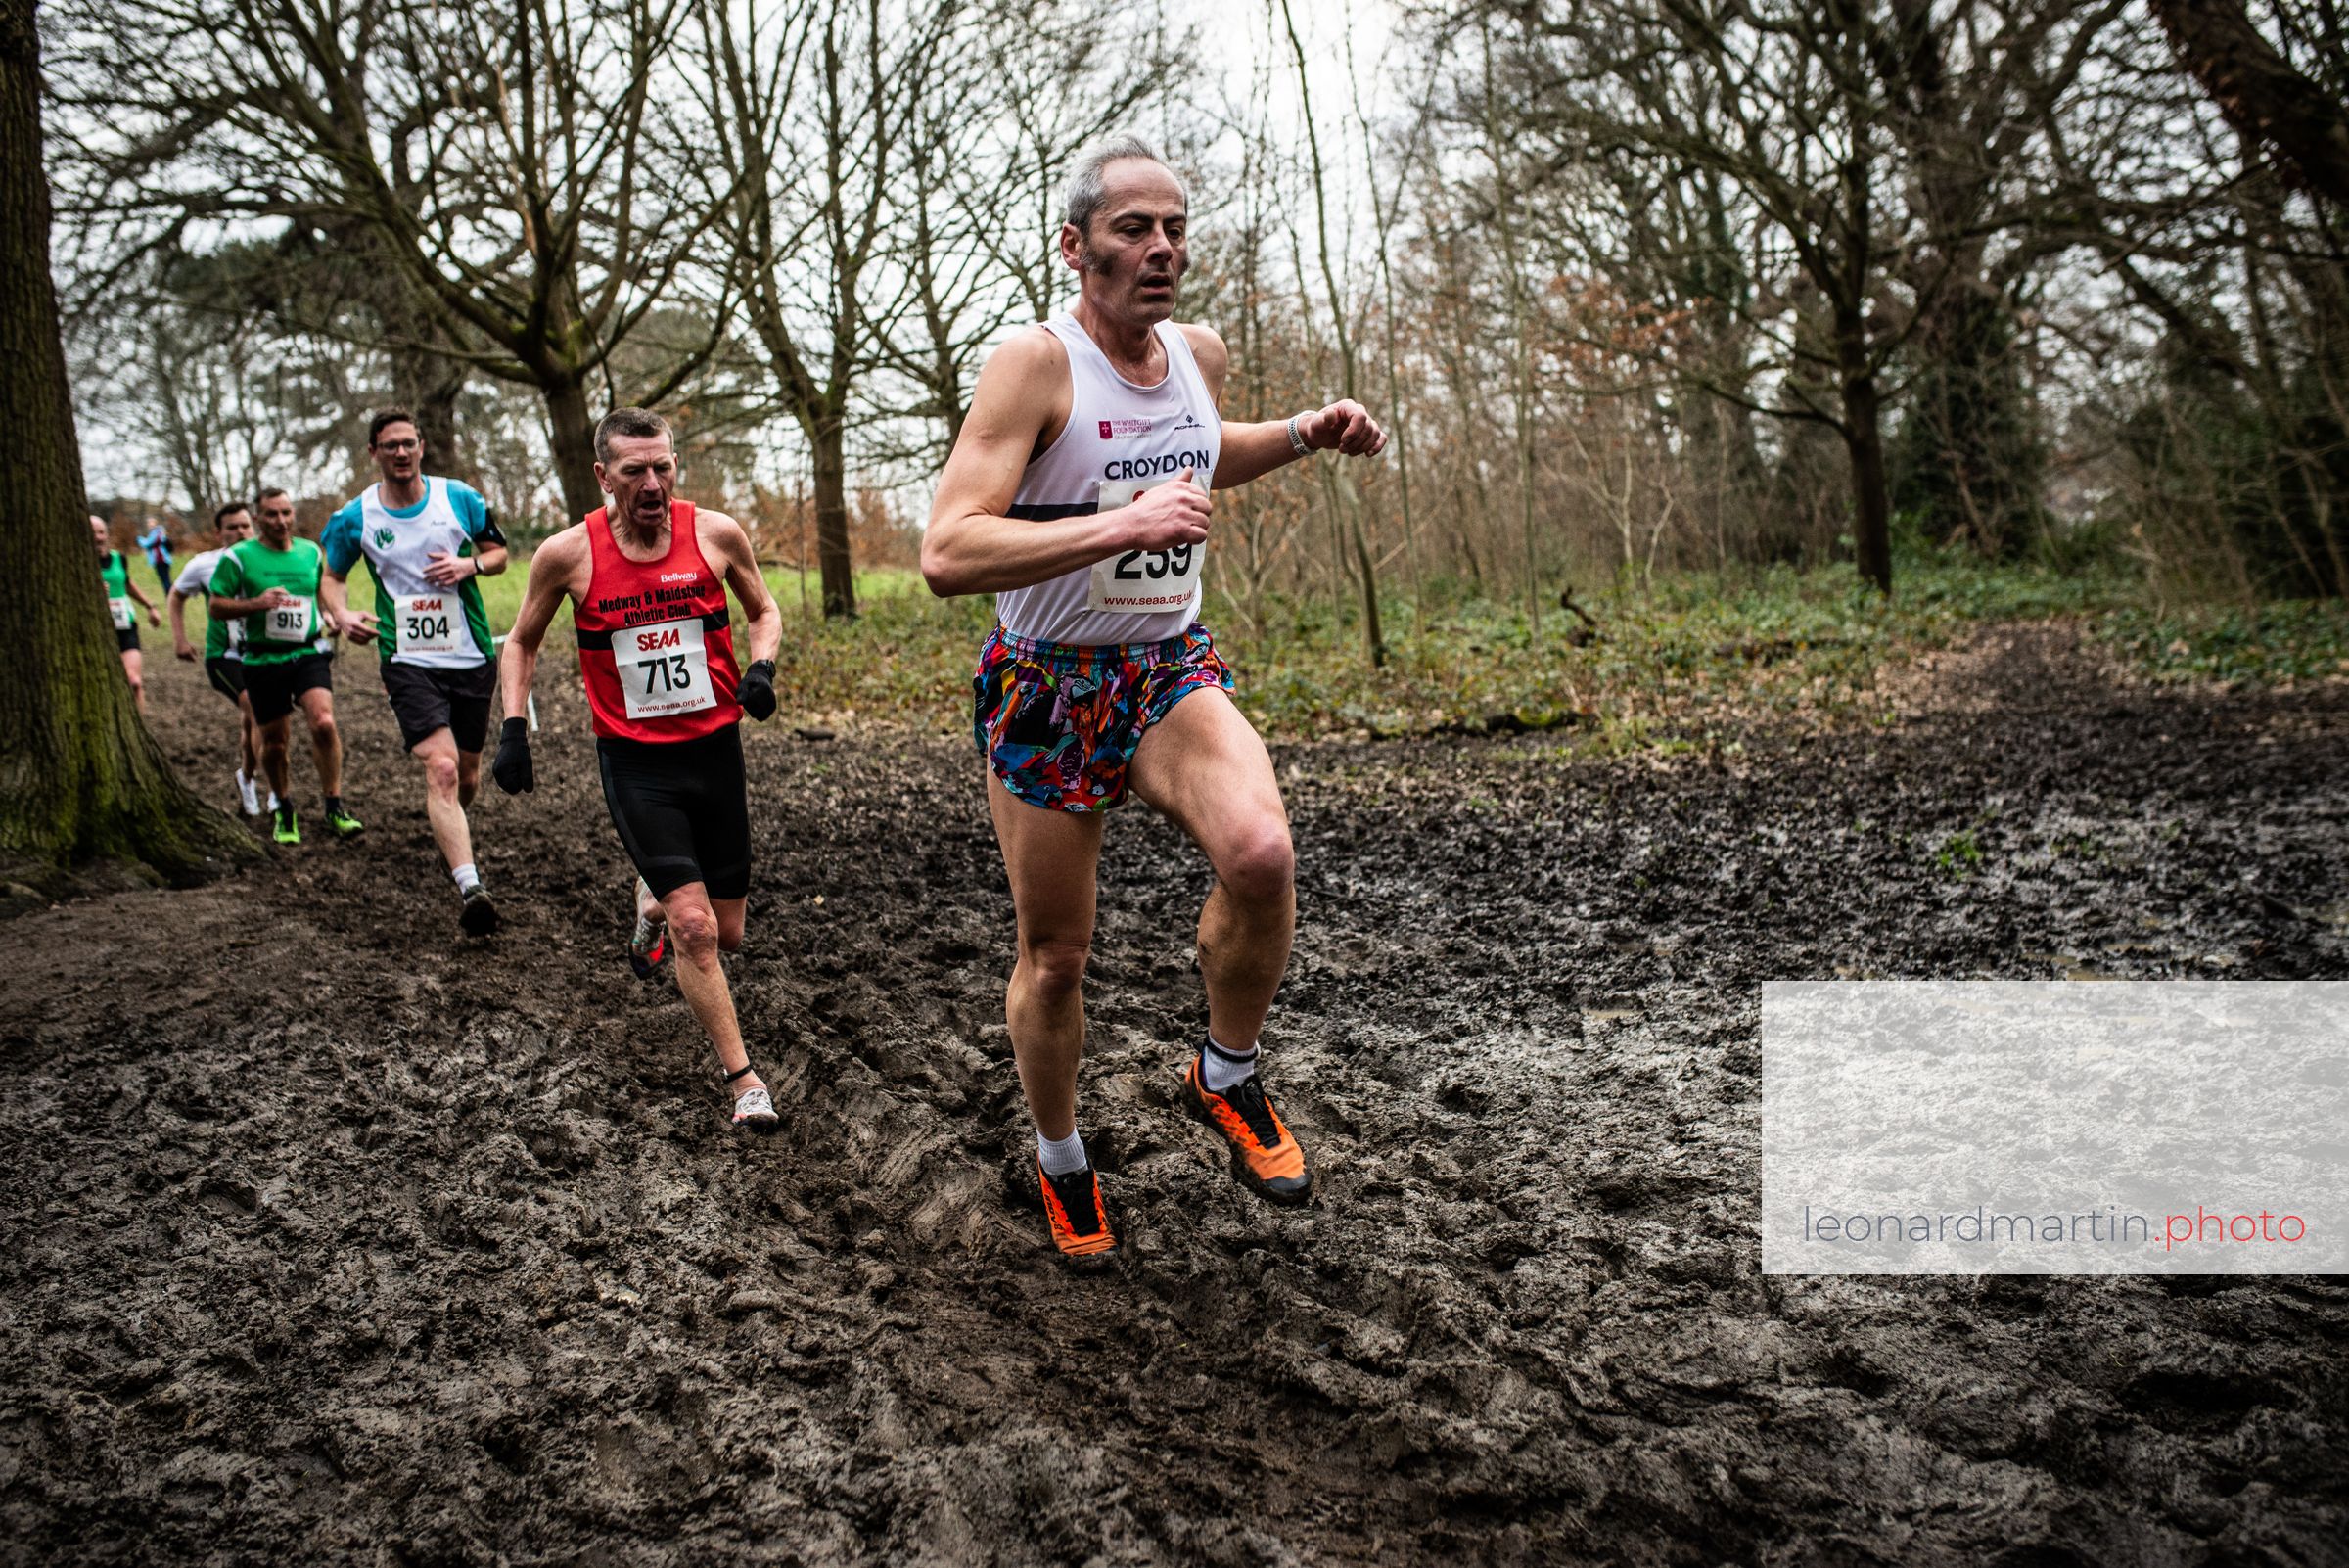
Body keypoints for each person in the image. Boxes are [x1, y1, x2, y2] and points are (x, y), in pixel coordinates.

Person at [921, 136, 1389, 1269]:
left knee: (1263, 855)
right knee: (1057, 957)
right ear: (1075, 246)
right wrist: (1118, 526)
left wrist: (1301, 434)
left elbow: (1197, 450)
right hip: (1048, 681)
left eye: (1175, 228)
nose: (1162, 248)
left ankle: (1225, 1075)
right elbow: (947, 550)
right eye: (1134, 228)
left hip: (1164, 665)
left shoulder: (1197, 354)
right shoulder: (1034, 365)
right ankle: (1062, 1156)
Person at [493, 407, 786, 1131]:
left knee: (729, 929)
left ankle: (650, 898)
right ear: (604, 476)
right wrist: (513, 727)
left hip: (714, 753)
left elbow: (764, 610)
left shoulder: (716, 534)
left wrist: (761, 669)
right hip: (635, 764)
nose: (652, 483)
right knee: (697, 928)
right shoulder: (567, 555)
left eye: (663, 467)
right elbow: (521, 641)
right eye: (635, 471)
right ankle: (745, 1083)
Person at [321, 409, 509, 935]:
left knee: (466, 775)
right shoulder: (356, 517)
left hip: (470, 653)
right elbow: (331, 577)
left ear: (422, 446)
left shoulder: (459, 499)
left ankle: (449, 830)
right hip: (406, 658)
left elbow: (499, 555)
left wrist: (468, 565)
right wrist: (340, 614)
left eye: (408, 443)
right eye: (390, 445)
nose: (401, 453)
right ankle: (471, 886)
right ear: (374, 453)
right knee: (442, 768)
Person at [207, 488, 363, 845]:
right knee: (275, 744)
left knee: (324, 722)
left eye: (286, 512)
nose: (281, 521)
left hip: (307, 652)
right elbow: (216, 606)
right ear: (258, 519)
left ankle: (334, 806)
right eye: (272, 514)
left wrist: (331, 617)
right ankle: (284, 807)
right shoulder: (238, 558)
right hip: (263, 658)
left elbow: (319, 595)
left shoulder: (310, 552)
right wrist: (257, 604)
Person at [170, 501, 270, 816]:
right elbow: (176, 596)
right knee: (257, 709)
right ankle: (276, 788)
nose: (240, 532)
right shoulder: (203, 564)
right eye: (232, 527)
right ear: (218, 533)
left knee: (250, 720)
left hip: (262, 653)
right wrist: (180, 639)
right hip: (223, 656)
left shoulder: (268, 559)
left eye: (245, 525)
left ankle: (247, 778)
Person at [95, 516, 162, 713]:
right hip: (96, 630)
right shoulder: (79, 564)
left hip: (124, 626)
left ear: (107, 535)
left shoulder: (119, 559)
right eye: (92, 533)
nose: (97, 537)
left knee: (134, 682)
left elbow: (127, 584)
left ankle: (139, 724)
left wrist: (150, 606)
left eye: (101, 532)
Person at [135, 517, 176, 600]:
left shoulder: (157, 532)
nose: (149, 525)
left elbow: (147, 544)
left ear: (155, 523)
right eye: (148, 523)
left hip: (161, 560)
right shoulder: (157, 532)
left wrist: (139, 539)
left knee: (165, 580)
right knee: (165, 580)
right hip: (160, 560)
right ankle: (171, 597)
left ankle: (171, 598)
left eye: (151, 523)